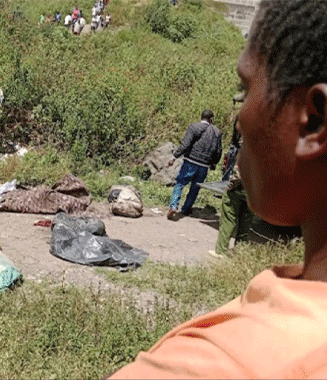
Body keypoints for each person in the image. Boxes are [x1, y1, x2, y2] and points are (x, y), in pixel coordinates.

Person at [112, 1, 327, 377]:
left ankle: (175, 210)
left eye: (245, 89)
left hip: (192, 166)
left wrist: (179, 155)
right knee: (200, 197)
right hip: (204, 167)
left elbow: (186, 146)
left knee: (191, 194)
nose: (240, 120)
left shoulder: (217, 365)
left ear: (313, 122)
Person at [166, 109, 222, 220]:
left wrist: (174, 157)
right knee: (195, 188)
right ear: (211, 119)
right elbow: (218, 151)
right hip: (204, 166)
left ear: (201, 117)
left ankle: (173, 206)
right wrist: (214, 163)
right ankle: (186, 209)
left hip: (190, 162)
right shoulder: (217, 132)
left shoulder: (194, 127)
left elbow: (185, 144)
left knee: (180, 184)